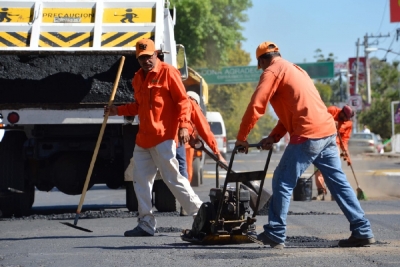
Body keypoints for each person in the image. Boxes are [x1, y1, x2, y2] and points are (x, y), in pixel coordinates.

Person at [235, 41, 375, 249]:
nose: (262, 69)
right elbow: (292, 113)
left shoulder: (272, 72)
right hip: (327, 133)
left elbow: (257, 105)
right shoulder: (296, 70)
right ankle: (362, 231)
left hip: (308, 134)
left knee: (282, 181)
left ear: (263, 60)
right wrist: (273, 137)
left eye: (261, 65)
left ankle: (275, 232)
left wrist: (241, 137)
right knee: (338, 183)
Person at [105, 38, 203, 237]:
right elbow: (139, 107)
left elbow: (183, 102)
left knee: (172, 178)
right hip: (144, 140)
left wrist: (184, 125)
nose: (146, 61)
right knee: (140, 180)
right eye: (142, 58)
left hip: (164, 137)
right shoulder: (137, 78)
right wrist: (117, 110)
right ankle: (146, 223)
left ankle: (201, 215)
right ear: (138, 59)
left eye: (149, 56)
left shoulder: (168, 72)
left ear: (156, 54)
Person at [313, 105, 354, 201]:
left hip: (335, 147)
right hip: (321, 142)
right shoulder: (332, 110)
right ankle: (321, 192)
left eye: (346, 119)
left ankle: (334, 193)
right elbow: (319, 120)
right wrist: (330, 123)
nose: (344, 121)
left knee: (334, 170)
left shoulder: (348, 124)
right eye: (344, 117)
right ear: (342, 112)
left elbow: (344, 139)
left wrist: (346, 153)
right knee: (318, 170)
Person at [185, 91, 227, 183]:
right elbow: (205, 130)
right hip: (184, 147)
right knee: (185, 176)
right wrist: (218, 154)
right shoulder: (191, 103)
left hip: (161, 145)